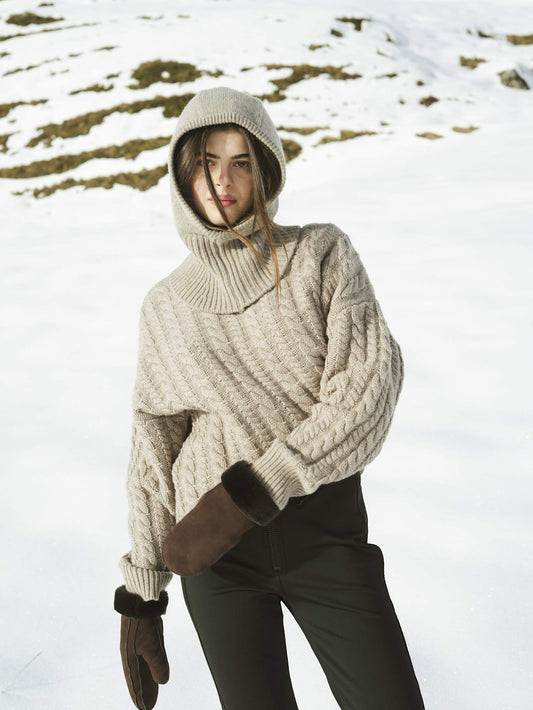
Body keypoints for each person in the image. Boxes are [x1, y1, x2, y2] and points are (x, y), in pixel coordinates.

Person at [113, 85, 426, 710]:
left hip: (324, 536)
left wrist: (255, 489)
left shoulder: (320, 255)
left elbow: (367, 393)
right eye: (206, 162)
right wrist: (142, 594)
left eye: (241, 162)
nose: (222, 181)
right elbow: (154, 453)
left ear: (265, 172)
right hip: (216, 557)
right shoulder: (165, 307)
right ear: (182, 173)